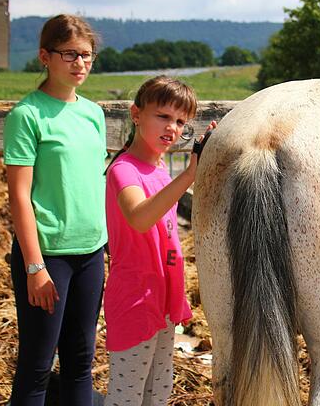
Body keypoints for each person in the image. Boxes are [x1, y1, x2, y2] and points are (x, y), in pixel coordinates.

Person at [3, 14, 106, 405]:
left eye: (87, 55)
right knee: (37, 365)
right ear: (45, 56)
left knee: (81, 362)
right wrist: (34, 267)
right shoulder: (26, 116)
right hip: (48, 258)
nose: (80, 64)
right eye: (70, 55)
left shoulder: (93, 114)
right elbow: (19, 197)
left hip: (91, 254)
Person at [103, 76, 215, 405]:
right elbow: (139, 218)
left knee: (158, 391)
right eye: (163, 116)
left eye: (181, 121)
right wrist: (189, 175)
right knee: (127, 396)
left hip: (164, 296)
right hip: (135, 300)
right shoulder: (124, 169)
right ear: (136, 114)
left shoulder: (160, 168)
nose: (173, 128)